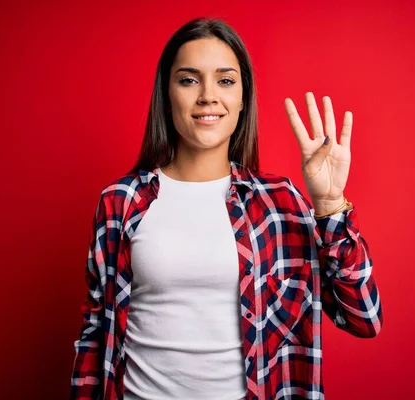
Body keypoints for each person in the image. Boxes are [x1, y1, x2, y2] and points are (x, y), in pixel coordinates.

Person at [70, 16, 383, 400]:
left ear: (242, 99)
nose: (207, 95)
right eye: (188, 80)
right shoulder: (120, 201)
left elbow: (363, 318)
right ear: (167, 96)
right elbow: (95, 333)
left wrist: (331, 205)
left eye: (225, 80)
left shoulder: (279, 204)